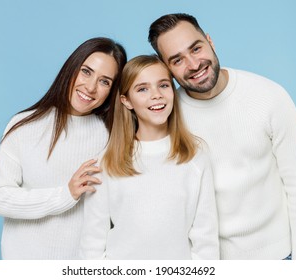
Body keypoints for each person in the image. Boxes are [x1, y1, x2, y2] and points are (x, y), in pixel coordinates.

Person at [148, 13, 296, 260]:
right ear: (166, 67)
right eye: (177, 60)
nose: (194, 64)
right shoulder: (167, 116)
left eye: (196, 48)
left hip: (280, 258)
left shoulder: (269, 96)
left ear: (210, 41)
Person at [0, 37, 127, 259]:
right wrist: (65, 195)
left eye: (105, 81)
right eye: (86, 72)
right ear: (71, 69)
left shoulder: (110, 136)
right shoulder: (24, 125)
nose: (90, 87)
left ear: (113, 91)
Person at [80, 55, 219, 260]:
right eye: (142, 89)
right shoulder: (107, 162)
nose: (156, 95)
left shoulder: (195, 156)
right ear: (126, 101)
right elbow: (92, 243)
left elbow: (205, 240)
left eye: (163, 85)